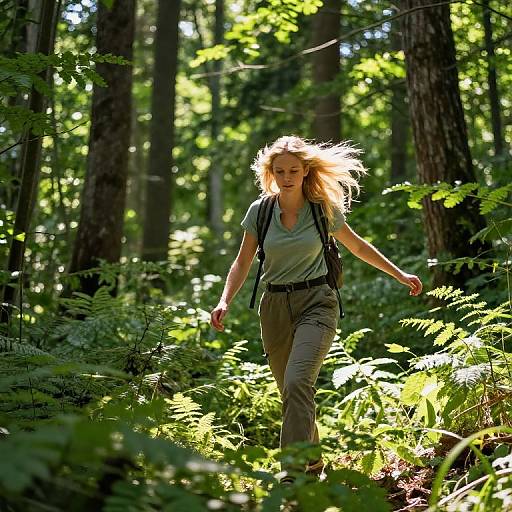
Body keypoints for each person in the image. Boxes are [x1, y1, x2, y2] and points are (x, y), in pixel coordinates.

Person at [210, 135, 422, 483]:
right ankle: (314, 465)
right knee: (292, 392)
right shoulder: (260, 212)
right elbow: (243, 260)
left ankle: (293, 475)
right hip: (275, 306)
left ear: (306, 170)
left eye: (294, 170)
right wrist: (224, 300)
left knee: (297, 382)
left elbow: (356, 245)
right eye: (280, 171)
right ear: (271, 173)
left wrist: (399, 274)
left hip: (317, 302)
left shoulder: (322, 208)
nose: (287, 176)